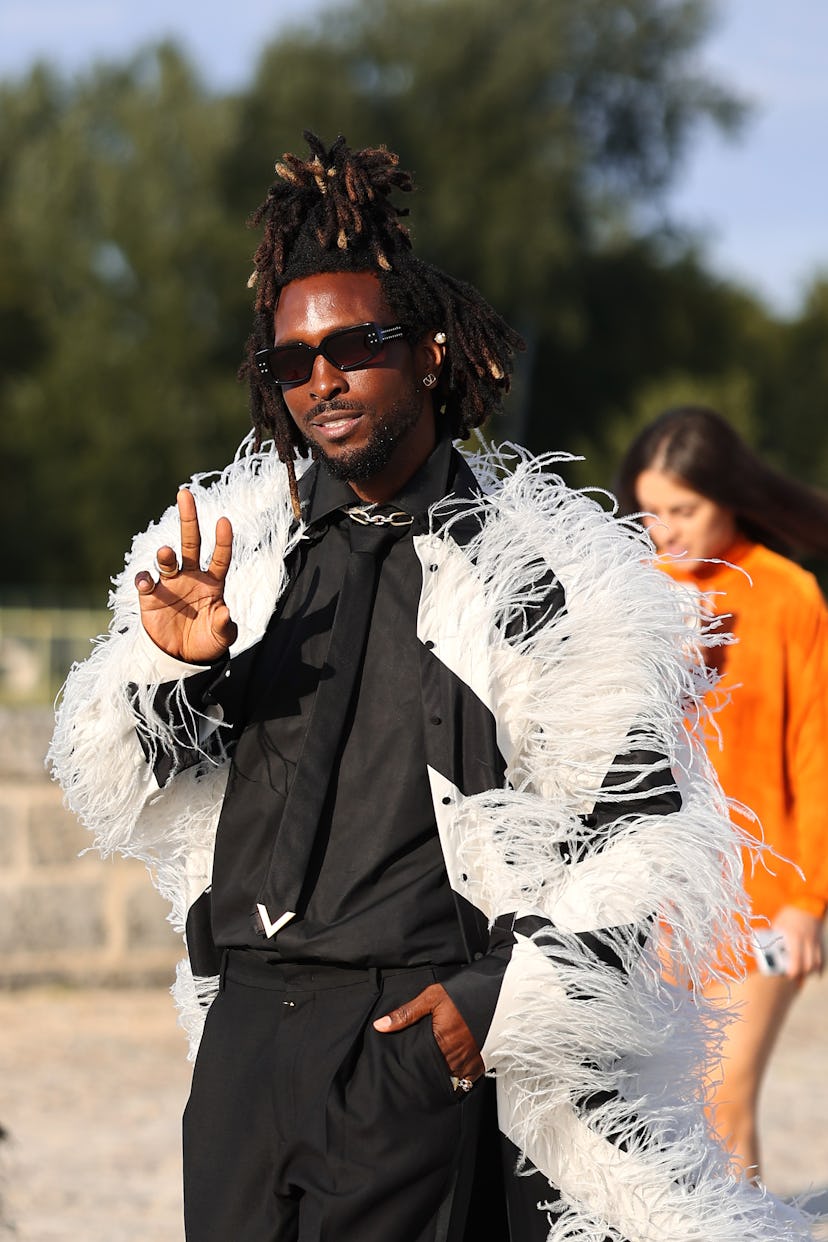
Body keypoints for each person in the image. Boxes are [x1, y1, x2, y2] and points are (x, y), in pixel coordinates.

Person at [49, 135, 816, 1241]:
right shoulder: (242, 552)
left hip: (416, 1031)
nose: (323, 381)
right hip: (245, 1042)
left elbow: (643, 833)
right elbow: (123, 781)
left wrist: (488, 1006)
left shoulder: (539, 568)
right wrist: (171, 666)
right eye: (291, 363)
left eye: (355, 347)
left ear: (429, 351)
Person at [616, 404, 828, 1183]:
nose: (665, 530)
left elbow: (817, 754)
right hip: (661, 906)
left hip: (769, 909)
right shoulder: (633, 591)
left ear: (729, 496)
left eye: (684, 510)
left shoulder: (788, 594)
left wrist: (812, 901)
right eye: (651, 511)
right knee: (664, 1113)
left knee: (727, 1104)